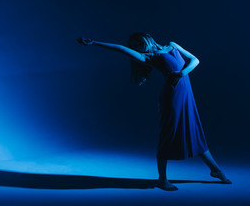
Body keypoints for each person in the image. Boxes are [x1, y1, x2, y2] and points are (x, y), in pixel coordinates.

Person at [77, 33, 231, 191]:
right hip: (172, 98)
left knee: (194, 131)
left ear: (147, 38)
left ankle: (215, 170)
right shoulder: (147, 58)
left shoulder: (172, 45)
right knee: (168, 135)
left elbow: (195, 60)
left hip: (186, 96)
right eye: (134, 45)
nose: (138, 45)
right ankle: (162, 180)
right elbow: (120, 49)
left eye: (138, 41)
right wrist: (95, 42)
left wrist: (182, 73)